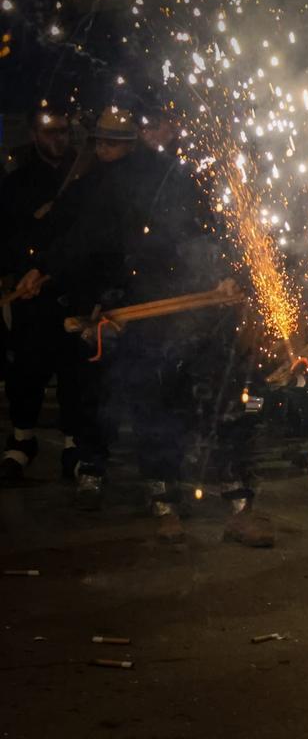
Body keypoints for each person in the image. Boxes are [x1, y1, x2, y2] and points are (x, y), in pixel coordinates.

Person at [13, 105, 250, 544]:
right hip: (127, 304)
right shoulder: (95, 186)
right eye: (101, 142)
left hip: (186, 299)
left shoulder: (173, 176)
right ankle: (153, 494)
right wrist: (46, 270)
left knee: (201, 397)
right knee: (131, 397)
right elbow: (82, 241)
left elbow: (208, 227)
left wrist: (227, 270)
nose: (106, 150)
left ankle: (235, 498)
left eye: (115, 143)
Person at [0, 100, 84, 484]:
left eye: (64, 131)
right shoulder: (17, 182)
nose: (59, 138)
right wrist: (17, 273)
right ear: (35, 134)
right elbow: (8, 234)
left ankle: (74, 442)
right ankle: (22, 439)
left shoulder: (82, 176)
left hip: (71, 286)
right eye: (51, 131)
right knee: (28, 366)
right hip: (30, 291)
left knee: (74, 367)